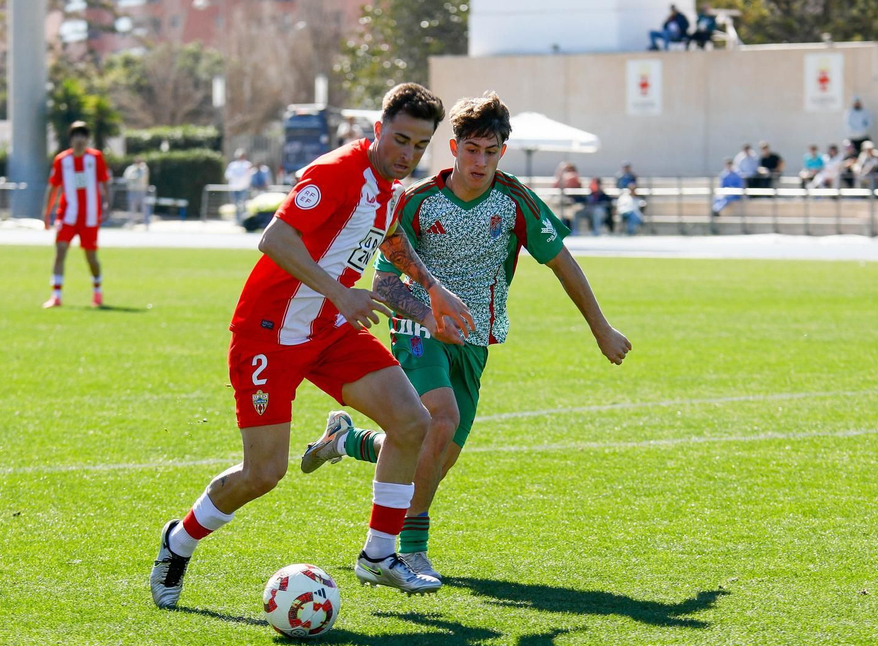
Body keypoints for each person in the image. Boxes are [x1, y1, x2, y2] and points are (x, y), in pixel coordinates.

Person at [150, 83, 474, 607]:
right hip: (269, 336)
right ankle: (179, 541)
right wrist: (341, 292)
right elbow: (274, 238)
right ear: (377, 130)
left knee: (414, 422)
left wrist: (432, 292)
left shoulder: (391, 191)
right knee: (264, 474)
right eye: (400, 140)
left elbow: (391, 240)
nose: (407, 154)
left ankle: (379, 554)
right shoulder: (336, 172)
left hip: (329, 330)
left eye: (419, 145)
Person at [298, 91, 630, 580]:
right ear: (453, 147)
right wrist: (428, 314)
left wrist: (601, 329)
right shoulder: (418, 203)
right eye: (471, 150)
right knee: (441, 420)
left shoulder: (515, 201)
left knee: (438, 451)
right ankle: (405, 550)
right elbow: (385, 283)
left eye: (490, 152)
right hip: (417, 330)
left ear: (502, 153)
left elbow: (563, 263)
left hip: (475, 340)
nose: (480, 161)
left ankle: (347, 442)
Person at [42, 121, 112, 308]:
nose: (79, 139)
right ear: (71, 138)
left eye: (83, 135)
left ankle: (97, 291)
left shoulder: (95, 158)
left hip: (89, 216)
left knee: (91, 257)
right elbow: (53, 186)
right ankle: (56, 295)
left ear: (87, 138)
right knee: (60, 251)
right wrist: (46, 212)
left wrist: (107, 204)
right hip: (67, 215)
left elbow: (105, 181)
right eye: (76, 135)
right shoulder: (62, 160)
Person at [122, 156, 151, 227]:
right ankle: (131, 222)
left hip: (141, 190)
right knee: (132, 207)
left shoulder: (144, 168)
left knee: (144, 206)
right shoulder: (130, 168)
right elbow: (126, 177)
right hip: (132, 190)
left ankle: (146, 222)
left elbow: (143, 177)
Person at [224, 149, 254, 219]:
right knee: (236, 205)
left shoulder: (247, 164)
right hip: (234, 188)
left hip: (244, 188)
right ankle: (237, 219)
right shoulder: (232, 165)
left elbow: (250, 175)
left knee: (243, 204)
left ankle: (243, 219)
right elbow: (228, 175)